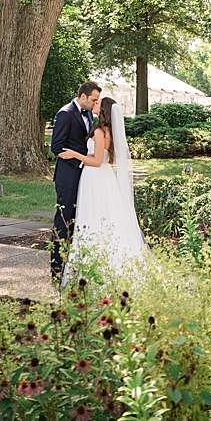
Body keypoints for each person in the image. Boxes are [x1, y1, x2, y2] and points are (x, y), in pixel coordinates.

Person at [56, 95, 149, 282]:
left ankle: (93, 266)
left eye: (98, 103)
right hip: (106, 177)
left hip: (95, 177)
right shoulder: (109, 131)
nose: (94, 104)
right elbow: (107, 158)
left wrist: (75, 154)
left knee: (93, 215)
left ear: (104, 110)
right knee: (106, 216)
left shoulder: (99, 132)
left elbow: (97, 161)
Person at [50, 81, 101, 283]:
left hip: (85, 178)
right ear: (83, 97)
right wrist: (81, 163)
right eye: (94, 100)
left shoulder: (88, 112)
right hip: (68, 177)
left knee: (78, 221)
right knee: (63, 222)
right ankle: (56, 268)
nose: (95, 104)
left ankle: (71, 264)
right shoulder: (65, 113)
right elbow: (57, 147)